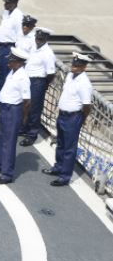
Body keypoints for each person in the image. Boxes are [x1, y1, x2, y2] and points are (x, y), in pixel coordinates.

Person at [42, 53, 93, 186]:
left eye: (77, 66)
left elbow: (87, 106)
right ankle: (58, 167)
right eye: (73, 64)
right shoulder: (70, 76)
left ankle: (64, 176)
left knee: (69, 148)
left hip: (73, 117)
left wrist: (82, 119)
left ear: (84, 67)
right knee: (61, 143)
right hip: (63, 115)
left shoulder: (84, 84)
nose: (74, 67)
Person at [0, 48, 31, 184]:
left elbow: (27, 101)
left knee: (9, 142)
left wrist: (23, 117)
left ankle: (7, 174)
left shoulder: (23, 77)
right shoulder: (13, 72)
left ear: (19, 62)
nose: (8, 63)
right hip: (5, 108)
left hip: (13, 110)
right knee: (2, 137)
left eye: (11, 61)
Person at [18, 27, 57, 146]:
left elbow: (51, 73)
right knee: (25, 105)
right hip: (28, 79)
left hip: (38, 82)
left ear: (46, 39)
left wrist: (44, 85)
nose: (38, 40)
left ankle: (32, 135)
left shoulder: (48, 53)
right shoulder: (34, 47)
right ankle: (24, 128)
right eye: (37, 38)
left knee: (34, 109)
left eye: (40, 39)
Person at [0, 0, 24, 109]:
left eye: (7, 3)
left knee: (4, 75)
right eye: (5, 2)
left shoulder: (18, 16)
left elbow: (19, 36)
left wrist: (15, 53)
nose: (5, 4)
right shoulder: (6, 13)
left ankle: (0, 103)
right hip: (0, 46)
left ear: (14, 3)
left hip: (8, 48)